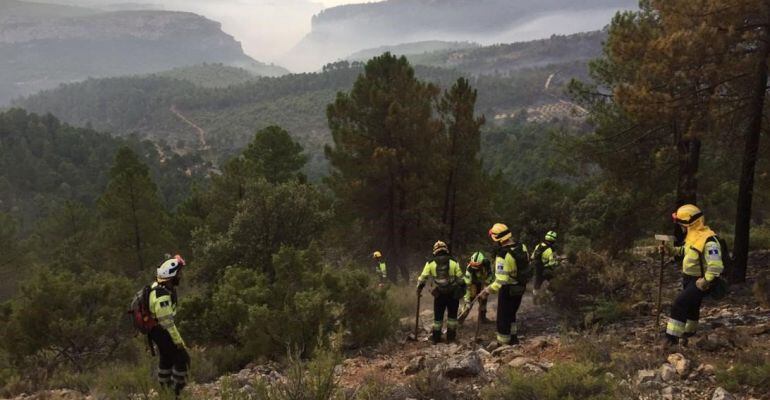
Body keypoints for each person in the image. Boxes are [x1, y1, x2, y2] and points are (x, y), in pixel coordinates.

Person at [663, 204, 724, 347]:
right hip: (688, 278)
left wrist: (706, 281)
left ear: (689, 223)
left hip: (699, 281)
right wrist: (670, 250)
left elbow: (715, 265)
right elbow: (686, 251)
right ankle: (688, 334)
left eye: (680, 223)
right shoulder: (694, 237)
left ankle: (670, 341)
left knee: (679, 304)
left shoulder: (709, 240)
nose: (680, 226)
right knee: (692, 306)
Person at [479, 223, 530, 346]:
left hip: (508, 289)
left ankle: (503, 345)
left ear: (497, 238)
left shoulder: (502, 255)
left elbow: (501, 281)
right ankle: (513, 339)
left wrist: (486, 291)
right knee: (511, 314)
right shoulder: (522, 247)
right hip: (520, 287)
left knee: (502, 319)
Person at [149, 255, 190, 396]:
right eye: (178, 274)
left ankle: (165, 390)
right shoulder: (162, 296)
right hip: (162, 332)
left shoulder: (158, 287)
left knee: (166, 358)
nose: (180, 276)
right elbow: (167, 323)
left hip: (156, 332)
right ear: (171, 276)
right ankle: (175, 393)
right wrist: (179, 342)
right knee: (183, 359)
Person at [417, 241, 465, 343]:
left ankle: (436, 338)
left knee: (438, 318)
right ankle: (451, 338)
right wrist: (463, 288)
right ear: (445, 249)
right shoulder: (453, 261)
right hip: (453, 294)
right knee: (452, 317)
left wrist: (419, 288)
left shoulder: (430, 263)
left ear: (435, 251)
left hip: (439, 294)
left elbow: (423, 278)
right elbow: (460, 279)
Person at [460, 251, 494, 323]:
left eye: (477, 266)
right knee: (469, 302)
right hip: (473, 284)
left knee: (483, 300)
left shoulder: (487, 264)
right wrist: (467, 300)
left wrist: (486, 284)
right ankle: (461, 318)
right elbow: (467, 285)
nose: (475, 268)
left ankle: (482, 318)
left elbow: (490, 275)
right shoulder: (469, 269)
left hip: (483, 283)